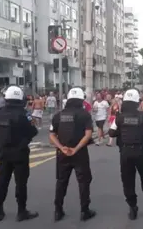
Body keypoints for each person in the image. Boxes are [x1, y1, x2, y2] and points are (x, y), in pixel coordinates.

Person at [108, 89, 143, 220]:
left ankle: (133, 208)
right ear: (137, 102)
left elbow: (111, 133)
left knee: (128, 181)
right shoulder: (142, 116)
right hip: (141, 152)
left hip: (125, 153)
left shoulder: (120, 117)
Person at [0, 86, 39, 222]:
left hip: (4, 153)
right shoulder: (24, 114)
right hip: (20, 153)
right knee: (21, 183)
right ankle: (21, 211)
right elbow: (33, 131)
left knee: (2, 181)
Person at [49, 87, 97, 222]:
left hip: (62, 153)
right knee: (83, 182)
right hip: (80, 153)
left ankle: (58, 211)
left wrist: (62, 147)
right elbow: (88, 135)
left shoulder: (58, 115)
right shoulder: (84, 114)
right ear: (81, 100)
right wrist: (75, 149)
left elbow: (52, 135)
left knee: (61, 181)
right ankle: (84, 211)